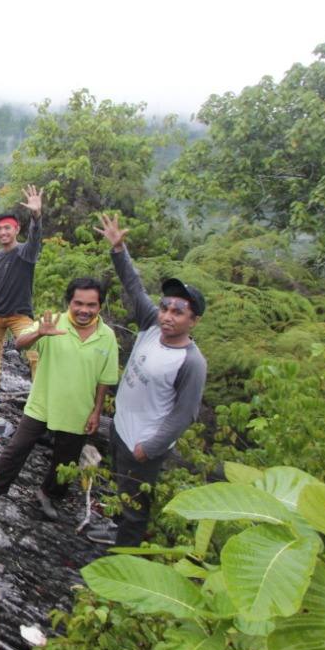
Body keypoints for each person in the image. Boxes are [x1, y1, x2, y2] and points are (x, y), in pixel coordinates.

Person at [87, 213, 208, 547]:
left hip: (143, 441)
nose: (167, 315)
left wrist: (149, 448)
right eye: (165, 307)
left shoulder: (191, 362)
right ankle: (115, 530)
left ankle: (125, 560)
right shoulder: (152, 326)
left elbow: (184, 415)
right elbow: (134, 286)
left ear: (193, 321)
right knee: (120, 489)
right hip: (121, 428)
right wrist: (118, 248)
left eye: (178, 312)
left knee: (136, 505)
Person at [0, 278, 119, 521]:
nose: (84, 310)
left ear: (100, 306)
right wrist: (38, 333)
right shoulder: (52, 322)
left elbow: (104, 380)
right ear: (69, 302)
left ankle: (47, 494)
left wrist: (96, 411)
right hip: (42, 403)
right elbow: (19, 343)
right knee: (17, 449)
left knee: (66, 460)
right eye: (78, 303)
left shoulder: (106, 336)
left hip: (78, 409)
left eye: (91, 305)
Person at [0, 185, 44, 400]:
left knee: (35, 354)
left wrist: (36, 215)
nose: (3, 232)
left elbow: (35, 239)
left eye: (7, 228)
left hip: (20, 314)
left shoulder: (25, 253)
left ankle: (38, 397)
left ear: (16, 229)